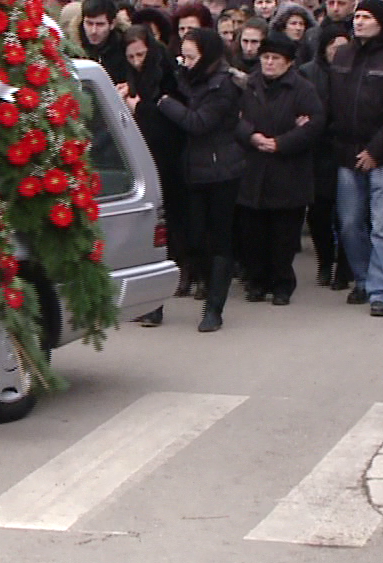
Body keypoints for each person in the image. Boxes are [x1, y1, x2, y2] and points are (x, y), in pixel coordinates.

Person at [326, 0, 383, 317]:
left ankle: (380, 291)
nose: (358, 21)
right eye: (357, 16)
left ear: (380, 22)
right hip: (347, 153)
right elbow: (331, 104)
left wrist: (376, 151)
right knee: (349, 224)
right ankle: (362, 278)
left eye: (366, 17)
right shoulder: (343, 55)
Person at [156, 27, 246, 332]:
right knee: (195, 236)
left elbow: (199, 123)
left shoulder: (222, 85)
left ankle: (215, 307)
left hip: (221, 170)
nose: (185, 62)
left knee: (218, 238)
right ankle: (205, 283)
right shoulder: (190, 77)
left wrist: (165, 103)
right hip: (194, 170)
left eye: (191, 57)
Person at [235, 32, 324, 305]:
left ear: (288, 63)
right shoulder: (250, 85)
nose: (269, 63)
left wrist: (282, 143)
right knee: (254, 232)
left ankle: (282, 283)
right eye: (266, 58)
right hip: (254, 168)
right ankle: (257, 281)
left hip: (288, 171)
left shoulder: (302, 89)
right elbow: (233, 118)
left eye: (275, 59)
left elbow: (314, 124)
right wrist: (251, 135)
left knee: (283, 235)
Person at [120, 24, 184, 326]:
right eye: (131, 56)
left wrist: (140, 108)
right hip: (143, 157)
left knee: (164, 230)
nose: (136, 61)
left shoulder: (166, 73)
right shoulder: (134, 74)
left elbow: (172, 116)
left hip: (167, 159)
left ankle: (157, 302)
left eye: (141, 54)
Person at [303, 23, 354, 292]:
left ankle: (345, 268)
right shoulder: (309, 73)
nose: (338, 51)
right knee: (319, 214)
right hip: (317, 151)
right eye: (333, 45)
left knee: (348, 215)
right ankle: (325, 261)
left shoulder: (355, 70)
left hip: (348, 149)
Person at [80, 0, 131, 84]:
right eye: (89, 23)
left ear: (112, 24)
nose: (93, 31)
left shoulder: (126, 48)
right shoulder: (69, 46)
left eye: (100, 24)